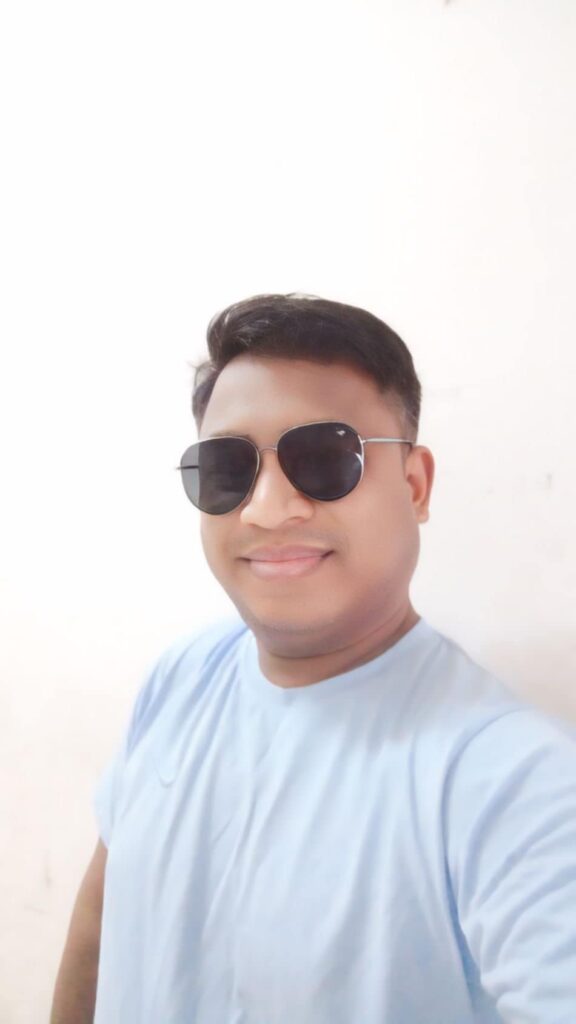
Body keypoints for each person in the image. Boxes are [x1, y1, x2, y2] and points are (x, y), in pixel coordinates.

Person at [50, 293, 576, 1024]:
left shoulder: (514, 781)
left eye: (324, 458)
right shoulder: (182, 676)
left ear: (415, 485)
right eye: (227, 468)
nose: (267, 509)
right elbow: (100, 922)